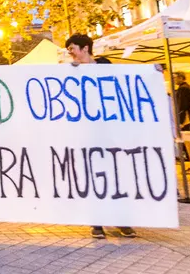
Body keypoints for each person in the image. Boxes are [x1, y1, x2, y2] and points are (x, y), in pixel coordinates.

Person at [65, 34, 137, 239]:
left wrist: (152, 72)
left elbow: (125, 82)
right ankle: (97, 222)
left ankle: (122, 220)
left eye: (72, 48)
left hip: (111, 132)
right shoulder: (71, 70)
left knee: (115, 175)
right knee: (92, 176)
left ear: (85, 48)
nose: (70, 53)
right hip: (87, 133)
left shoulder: (105, 65)